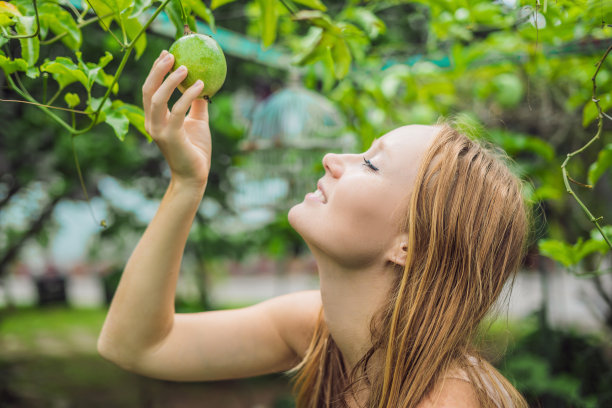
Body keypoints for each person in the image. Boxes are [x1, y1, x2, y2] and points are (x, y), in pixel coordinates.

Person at [97, 49, 533, 408]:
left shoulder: (445, 402)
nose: (332, 160)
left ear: (411, 244)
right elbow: (135, 346)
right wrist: (187, 184)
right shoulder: (320, 329)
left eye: (370, 163)